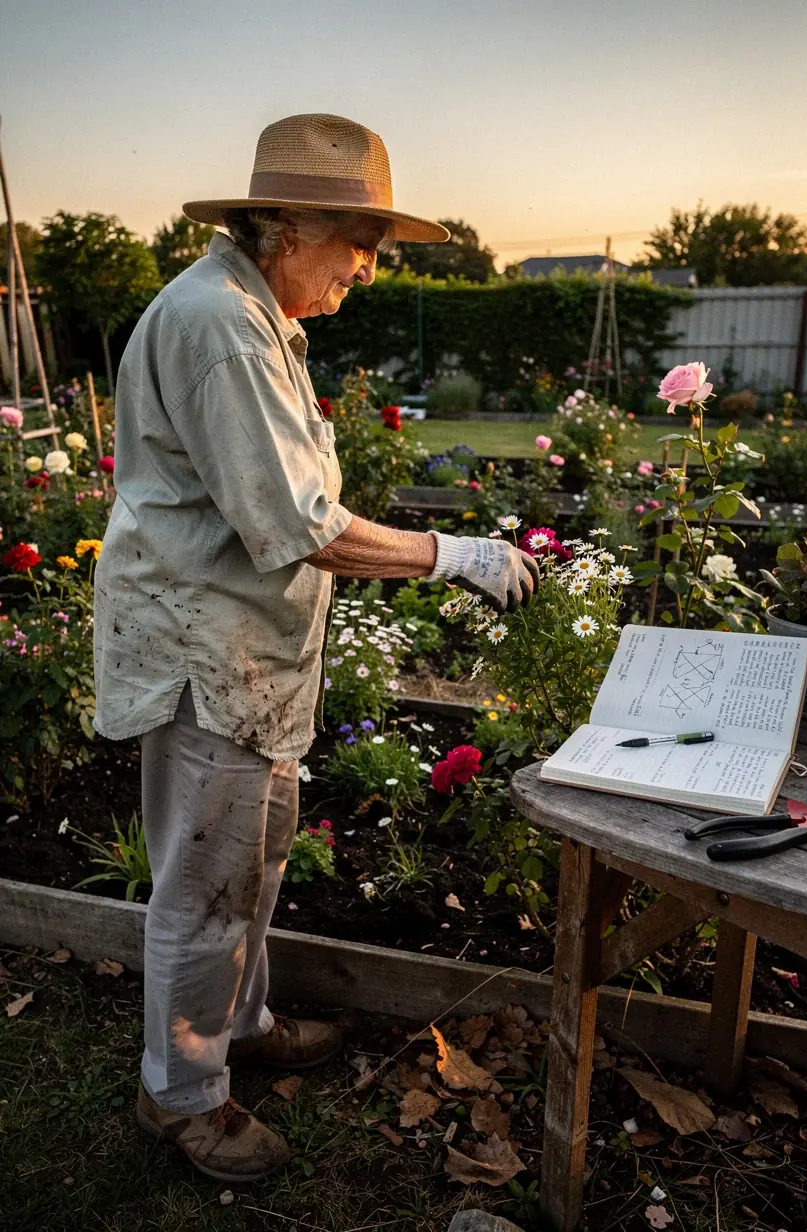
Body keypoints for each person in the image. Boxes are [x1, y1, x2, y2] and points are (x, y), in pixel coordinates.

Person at [93, 113, 538, 1183]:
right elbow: (300, 523)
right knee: (203, 885)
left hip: (243, 647)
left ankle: (237, 1024)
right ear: (286, 222)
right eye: (359, 243)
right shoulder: (222, 326)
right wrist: (451, 553)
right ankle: (183, 1095)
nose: (368, 271)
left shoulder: (253, 313)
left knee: (250, 862)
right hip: (208, 649)